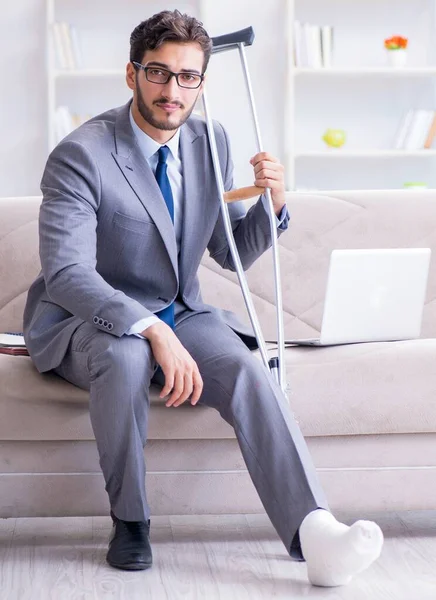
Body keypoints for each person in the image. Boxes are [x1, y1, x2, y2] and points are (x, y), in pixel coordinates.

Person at [23, 9, 383, 586]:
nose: (173, 90)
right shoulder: (81, 154)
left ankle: (315, 531)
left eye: (187, 76)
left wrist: (275, 202)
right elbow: (66, 272)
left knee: (244, 368)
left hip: (182, 311)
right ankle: (131, 521)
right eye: (159, 73)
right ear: (132, 74)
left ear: (202, 81)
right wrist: (150, 329)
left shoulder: (208, 138)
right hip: (85, 317)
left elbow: (231, 248)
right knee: (125, 355)